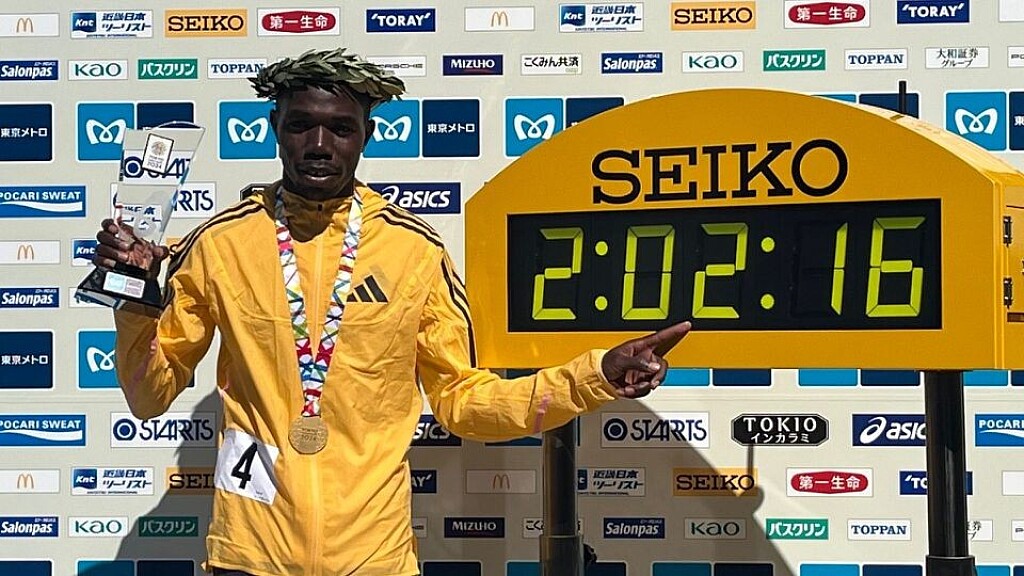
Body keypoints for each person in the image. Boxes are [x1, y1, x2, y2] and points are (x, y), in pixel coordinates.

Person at [93, 48, 692, 576]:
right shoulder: (220, 243)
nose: (319, 145)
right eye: (301, 125)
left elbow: (461, 401)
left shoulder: (413, 250)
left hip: (374, 558)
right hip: (249, 556)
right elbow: (149, 395)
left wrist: (594, 375)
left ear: (367, 135)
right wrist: (136, 298)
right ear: (275, 128)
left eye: (341, 128)